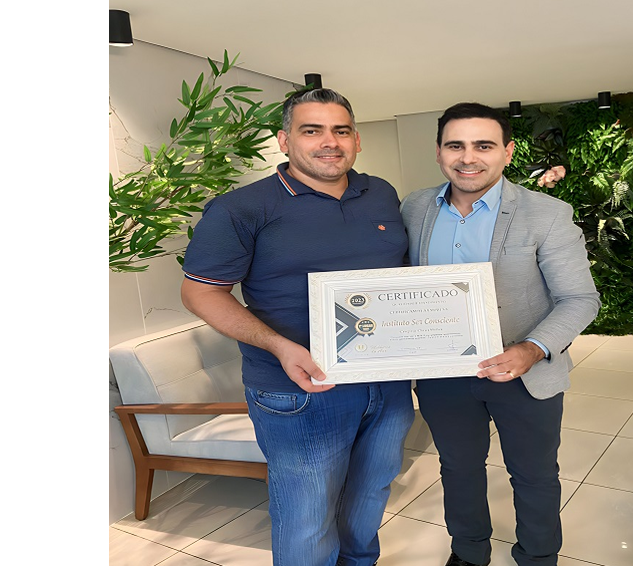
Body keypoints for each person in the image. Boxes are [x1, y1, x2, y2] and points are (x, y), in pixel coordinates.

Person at [180, 88, 414, 566]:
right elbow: (200, 292)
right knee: (307, 517)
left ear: (357, 140)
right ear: (285, 141)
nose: (329, 142)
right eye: (312, 131)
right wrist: (279, 345)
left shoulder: (381, 193)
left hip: (386, 380)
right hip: (299, 389)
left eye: (341, 131)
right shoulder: (241, 209)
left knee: (370, 493)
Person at [400, 102, 601, 566]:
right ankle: (469, 553)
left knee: (534, 474)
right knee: (458, 468)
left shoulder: (546, 213)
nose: (468, 157)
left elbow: (580, 299)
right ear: (439, 152)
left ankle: (538, 556)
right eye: (456, 145)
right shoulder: (414, 207)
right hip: (443, 373)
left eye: (484, 145)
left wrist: (532, 348)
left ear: (507, 152)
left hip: (524, 374)